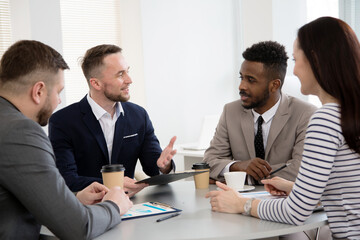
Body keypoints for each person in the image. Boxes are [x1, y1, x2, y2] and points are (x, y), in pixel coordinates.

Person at [206, 17, 360, 239]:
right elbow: (349, 192)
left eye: (297, 60)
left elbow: (295, 213)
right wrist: (297, 189)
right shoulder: (348, 113)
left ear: (315, 61)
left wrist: (242, 204)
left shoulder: (325, 119)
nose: (294, 71)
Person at [0, 40, 133, 239]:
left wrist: (75, 198)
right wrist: (114, 205)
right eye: (58, 92)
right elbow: (78, 228)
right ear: (38, 91)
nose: (59, 101)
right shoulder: (20, 131)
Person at [48, 44, 177, 193]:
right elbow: (67, 179)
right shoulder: (62, 121)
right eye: (120, 74)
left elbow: (153, 167)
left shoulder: (139, 115)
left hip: (130, 206)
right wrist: (113, 184)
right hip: (86, 208)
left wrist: (164, 166)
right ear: (96, 83)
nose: (129, 80)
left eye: (127, 72)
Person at [203, 41, 317, 183]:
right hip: (238, 202)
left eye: (251, 80)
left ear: (274, 85)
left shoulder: (306, 114)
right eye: (241, 77)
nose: (241, 86)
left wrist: (238, 179)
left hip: (284, 202)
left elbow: (300, 170)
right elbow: (209, 162)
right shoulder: (230, 111)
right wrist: (239, 166)